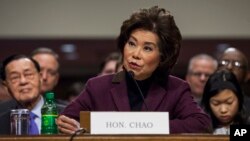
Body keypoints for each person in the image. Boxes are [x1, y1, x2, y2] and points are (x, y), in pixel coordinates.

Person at [56, 6, 212, 134]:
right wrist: (78, 129)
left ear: (163, 56)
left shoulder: (176, 89)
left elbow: (201, 124)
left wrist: (151, 127)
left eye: (147, 48)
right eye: (131, 43)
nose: (135, 54)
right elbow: (65, 120)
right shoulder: (97, 87)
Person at [0, 54, 43, 134]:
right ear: (6, 85)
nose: (23, 81)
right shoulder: (1, 123)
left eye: (28, 74)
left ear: (40, 77)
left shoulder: (66, 116)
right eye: (15, 77)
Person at [201, 69, 249, 135]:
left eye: (229, 102)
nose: (223, 110)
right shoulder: (198, 126)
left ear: (239, 100)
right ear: (208, 104)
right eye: (216, 103)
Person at [217, 47, 250, 115]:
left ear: (247, 75)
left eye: (237, 64)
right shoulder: (200, 107)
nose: (229, 67)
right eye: (224, 62)